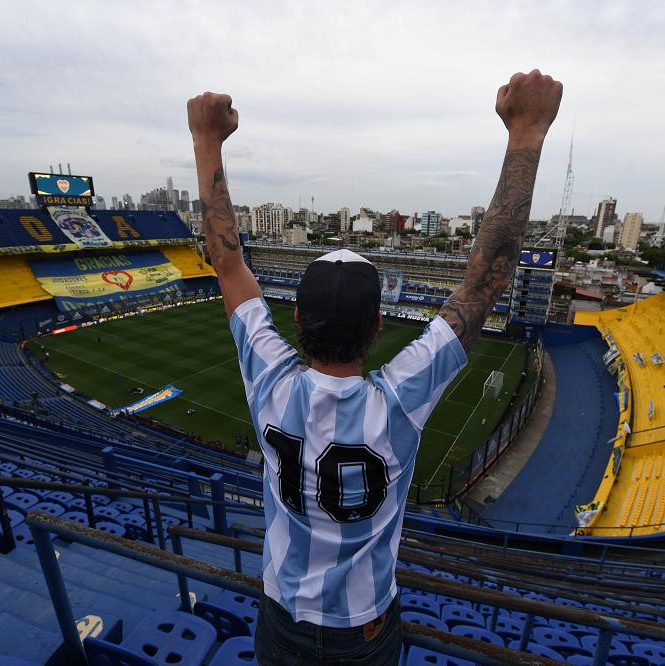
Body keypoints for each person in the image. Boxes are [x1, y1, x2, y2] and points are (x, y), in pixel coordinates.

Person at [187, 68, 562, 665]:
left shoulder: (270, 381)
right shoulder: (400, 398)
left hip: (281, 619)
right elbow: (484, 278)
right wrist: (527, 133)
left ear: (298, 322)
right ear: (379, 327)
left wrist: (207, 141)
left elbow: (229, 266)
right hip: (363, 631)